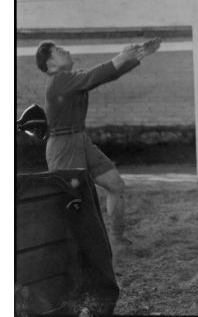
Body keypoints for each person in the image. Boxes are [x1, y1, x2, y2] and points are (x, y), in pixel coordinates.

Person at [34, 38, 161, 262]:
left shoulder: (70, 78)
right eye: (59, 50)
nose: (67, 50)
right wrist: (123, 55)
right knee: (72, 202)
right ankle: (58, 252)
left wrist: (137, 56)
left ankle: (117, 239)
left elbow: (105, 75)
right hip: (63, 146)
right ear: (50, 63)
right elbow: (96, 75)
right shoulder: (58, 80)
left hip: (80, 139)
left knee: (115, 184)